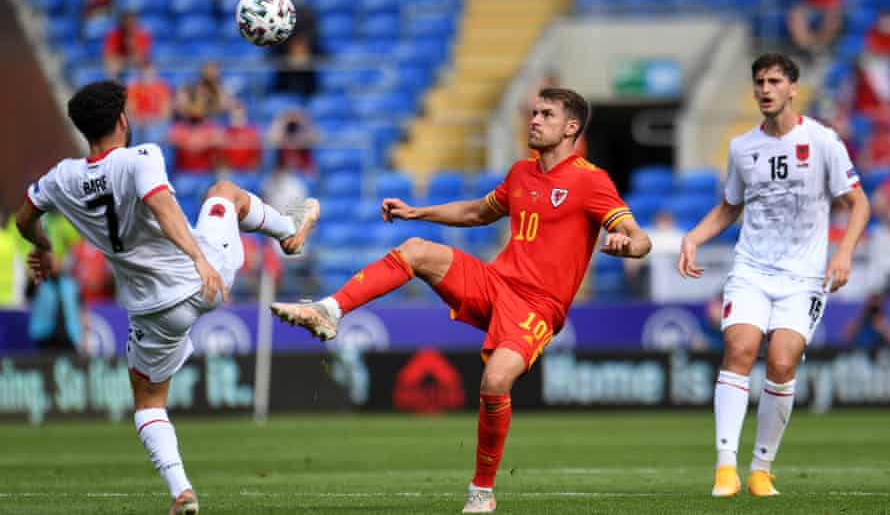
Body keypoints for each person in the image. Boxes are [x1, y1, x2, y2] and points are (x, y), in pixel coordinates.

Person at [270, 87, 652, 513]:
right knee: (414, 249)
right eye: (534, 112)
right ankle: (329, 310)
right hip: (495, 283)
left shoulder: (590, 180)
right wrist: (418, 212)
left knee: (495, 381)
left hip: (538, 306)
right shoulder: (521, 173)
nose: (535, 119)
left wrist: (626, 244)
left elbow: (641, 239)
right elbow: (477, 213)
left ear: (571, 127)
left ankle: (482, 491)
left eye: (547, 114)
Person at [15, 81, 320, 514]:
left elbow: (24, 219)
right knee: (223, 193)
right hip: (202, 280)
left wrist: (44, 249)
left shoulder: (62, 178)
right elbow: (163, 206)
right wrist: (199, 259)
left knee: (148, 402)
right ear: (123, 120)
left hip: (153, 312)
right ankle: (289, 233)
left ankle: (182, 493)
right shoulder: (142, 157)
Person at [677, 53, 870, 498]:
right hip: (752, 269)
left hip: (803, 278)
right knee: (739, 348)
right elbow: (731, 205)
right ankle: (726, 466)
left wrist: (842, 254)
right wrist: (694, 238)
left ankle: (761, 468)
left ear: (792, 88)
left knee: (782, 362)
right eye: (759, 81)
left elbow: (857, 203)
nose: (765, 89)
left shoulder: (822, 141)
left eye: (774, 81)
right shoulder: (743, 147)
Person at [103, 12, 152, 80]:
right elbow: (108, 56)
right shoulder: (114, 35)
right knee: (112, 66)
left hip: (136, 62)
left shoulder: (142, 35)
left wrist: (132, 46)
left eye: (132, 23)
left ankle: (142, 89)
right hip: (119, 62)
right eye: (127, 23)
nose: (129, 26)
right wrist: (122, 60)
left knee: (149, 69)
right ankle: (114, 87)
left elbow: (142, 56)